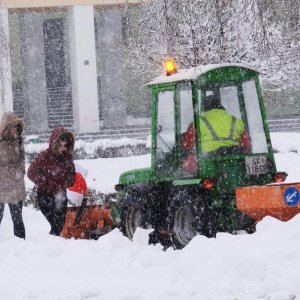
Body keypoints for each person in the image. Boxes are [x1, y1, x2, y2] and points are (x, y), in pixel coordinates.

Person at [181, 95, 251, 173]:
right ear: (220, 104)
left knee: (186, 166)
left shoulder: (198, 122)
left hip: (207, 161)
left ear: (204, 107)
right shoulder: (237, 121)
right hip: (235, 160)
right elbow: (247, 146)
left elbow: (186, 145)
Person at [27, 127, 75, 236]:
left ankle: (54, 246)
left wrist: (66, 181)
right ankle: (53, 246)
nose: (62, 148)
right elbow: (30, 173)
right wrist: (44, 181)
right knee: (55, 224)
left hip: (60, 195)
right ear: (55, 143)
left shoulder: (67, 158)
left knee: (60, 224)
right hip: (45, 195)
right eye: (60, 145)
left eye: (65, 146)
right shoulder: (44, 156)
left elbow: (72, 176)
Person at [0, 112, 26, 239]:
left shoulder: (19, 140)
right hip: (1, 183)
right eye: (12, 127)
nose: (15, 130)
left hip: (16, 183)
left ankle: (21, 242)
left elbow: (22, 158)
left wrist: (21, 171)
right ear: (6, 127)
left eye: (16, 127)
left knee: (17, 217)